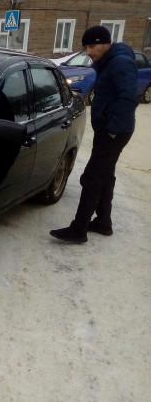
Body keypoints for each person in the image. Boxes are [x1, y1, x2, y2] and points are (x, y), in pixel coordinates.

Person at [50, 25, 138, 243]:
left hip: (114, 132)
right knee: (105, 176)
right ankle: (103, 222)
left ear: (104, 43)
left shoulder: (120, 63)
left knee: (91, 178)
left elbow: (129, 98)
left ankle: (78, 229)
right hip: (110, 130)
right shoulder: (110, 61)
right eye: (86, 47)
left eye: (91, 46)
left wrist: (112, 130)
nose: (88, 52)